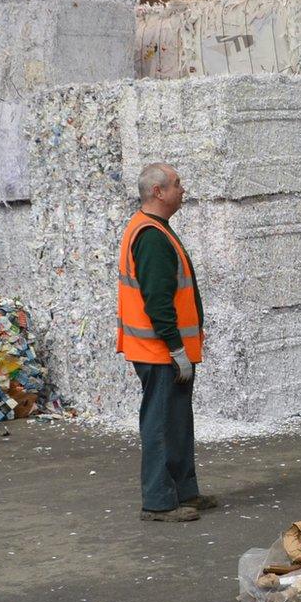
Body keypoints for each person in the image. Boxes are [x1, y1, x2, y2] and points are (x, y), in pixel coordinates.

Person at [117, 163, 216, 522]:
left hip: (165, 351)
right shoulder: (152, 237)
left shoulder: (157, 229)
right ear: (158, 192)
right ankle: (158, 501)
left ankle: (184, 491)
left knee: (177, 421)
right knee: (160, 423)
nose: (182, 189)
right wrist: (175, 348)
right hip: (159, 351)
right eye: (176, 184)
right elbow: (157, 300)